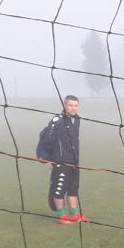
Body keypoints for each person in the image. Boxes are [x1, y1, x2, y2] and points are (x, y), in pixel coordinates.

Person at [39, 95, 87, 224]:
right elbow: (46, 138)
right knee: (59, 188)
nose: (73, 108)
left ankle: (74, 214)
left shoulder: (77, 120)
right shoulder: (57, 120)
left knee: (73, 188)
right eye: (70, 105)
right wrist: (44, 155)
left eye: (76, 105)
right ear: (64, 105)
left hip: (74, 162)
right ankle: (61, 216)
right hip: (61, 161)